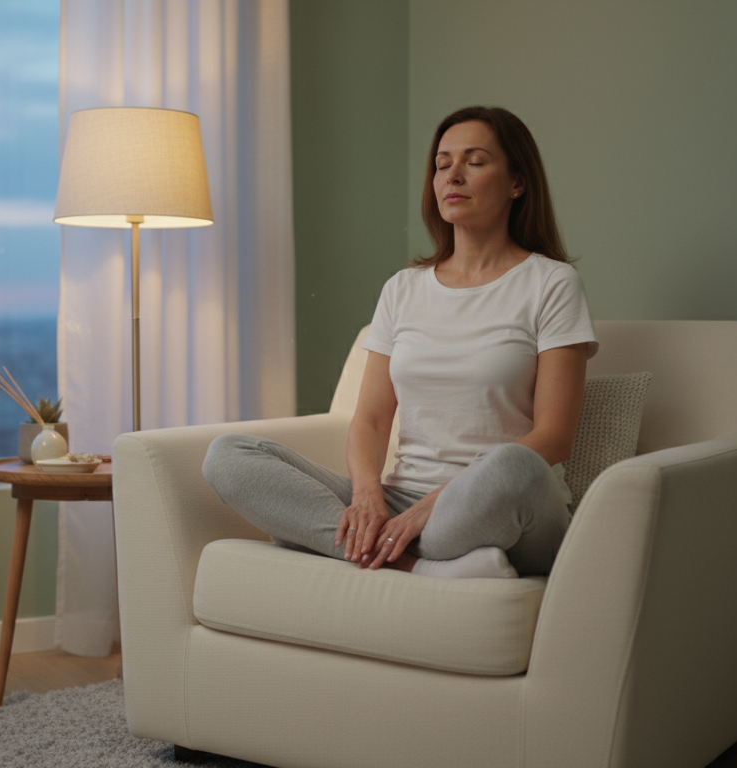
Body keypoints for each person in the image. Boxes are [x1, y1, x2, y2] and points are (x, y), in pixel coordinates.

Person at [203, 106, 597, 579]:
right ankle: (418, 564)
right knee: (229, 456)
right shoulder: (403, 288)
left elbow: (554, 436)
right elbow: (370, 418)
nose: (452, 175)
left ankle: (372, 546)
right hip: (400, 496)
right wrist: (368, 495)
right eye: (442, 163)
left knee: (511, 463)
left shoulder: (552, 283)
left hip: (498, 502)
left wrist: (430, 508)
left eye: (474, 161)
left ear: (517, 182)